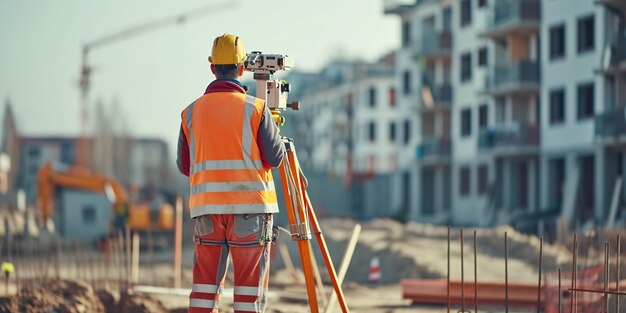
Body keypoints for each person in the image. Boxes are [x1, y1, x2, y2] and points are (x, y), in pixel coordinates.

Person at [176, 33, 285, 313]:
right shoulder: (256, 109)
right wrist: (272, 129)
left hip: (206, 211)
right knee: (249, 291)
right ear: (242, 68)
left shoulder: (190, 113)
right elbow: (274, 159)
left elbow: (184, 166)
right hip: (250, 210)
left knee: (203, 289)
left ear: (213, 67)